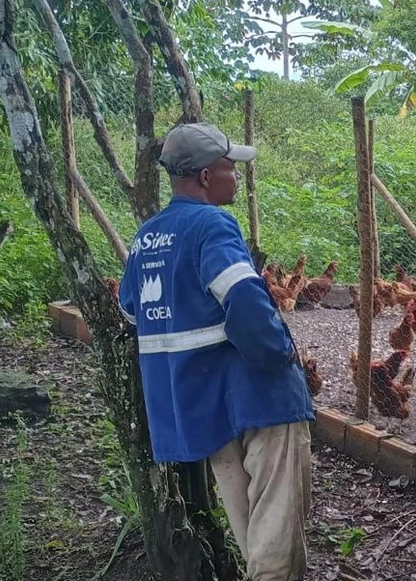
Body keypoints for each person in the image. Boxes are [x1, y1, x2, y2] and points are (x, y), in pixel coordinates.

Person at [118, 123, 313, 581]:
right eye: (230, 168)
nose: (237, 177)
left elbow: (131, 309)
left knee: (252, 537)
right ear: (206, 177)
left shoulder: (146, 237)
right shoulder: (212, 224)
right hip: (257, 398)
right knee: (277, 532)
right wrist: (279, 354)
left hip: (201, 408)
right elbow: (243, 296)